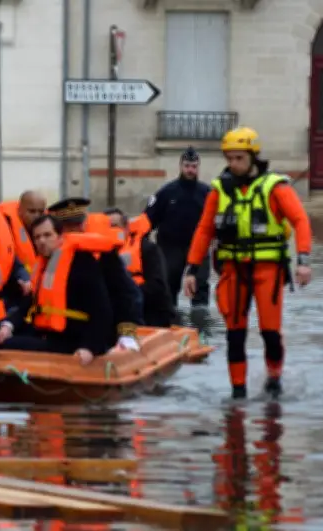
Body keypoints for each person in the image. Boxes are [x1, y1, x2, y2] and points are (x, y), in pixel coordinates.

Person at [182, 127, 312, 399]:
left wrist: (303, 260)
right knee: (234, 334)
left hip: (268, 270)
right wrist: (191, 269)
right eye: (229, 158)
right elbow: (204, 230)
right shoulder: (220, 190)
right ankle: (238, 393)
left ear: (253, 156)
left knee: (270, 333)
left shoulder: (275, 187)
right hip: (233, 270)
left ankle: (274, 379)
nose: (233, 164)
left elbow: (300, 221)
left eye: (239, 158)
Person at [0, 215, 117, 365]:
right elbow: (29, 303)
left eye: (47, 235)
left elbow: (102, 311)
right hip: (47, 333)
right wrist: (8, 325)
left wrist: (89, 348)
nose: (42, 241)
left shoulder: (82, 263)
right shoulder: (44, 265)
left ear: (60, 237)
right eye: (37, 237)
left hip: (72, 338)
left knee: (10, 345)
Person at [47, 197, 143, 349]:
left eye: (77, 226)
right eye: (68, 227)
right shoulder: (51, 257)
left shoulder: (104, 255)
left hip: (100, 331)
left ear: (85, 225)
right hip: (63, 332)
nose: (73, 232)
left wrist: (126, 333)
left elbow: (127, 294)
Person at [136, 147, 211, 311]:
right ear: (180, 166)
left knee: (200, 285)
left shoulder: (207, 193)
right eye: (187, 166)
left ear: (198, 167)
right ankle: (170, 321)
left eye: (194, 166)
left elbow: (215, 222)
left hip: (198, 247)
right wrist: (141, 244)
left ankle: (201, 325)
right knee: (168, 285)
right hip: (170, 248)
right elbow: (147, 220)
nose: (190, 170)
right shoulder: (166, 193)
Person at [106, 207, 176, 327]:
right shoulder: (99, 255)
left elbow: (158, 288)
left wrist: (125, 295)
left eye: (116, 226)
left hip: (151, 314)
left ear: (126, 228)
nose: (112, 231)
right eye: (108, 227)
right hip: (117, 314)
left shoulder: (147, 250)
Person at [0, 190, 47, 274]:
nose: (37, 216)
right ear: (20, 210)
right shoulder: (6, 226)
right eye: (32, 211)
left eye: (41, 212)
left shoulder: (50, 229)